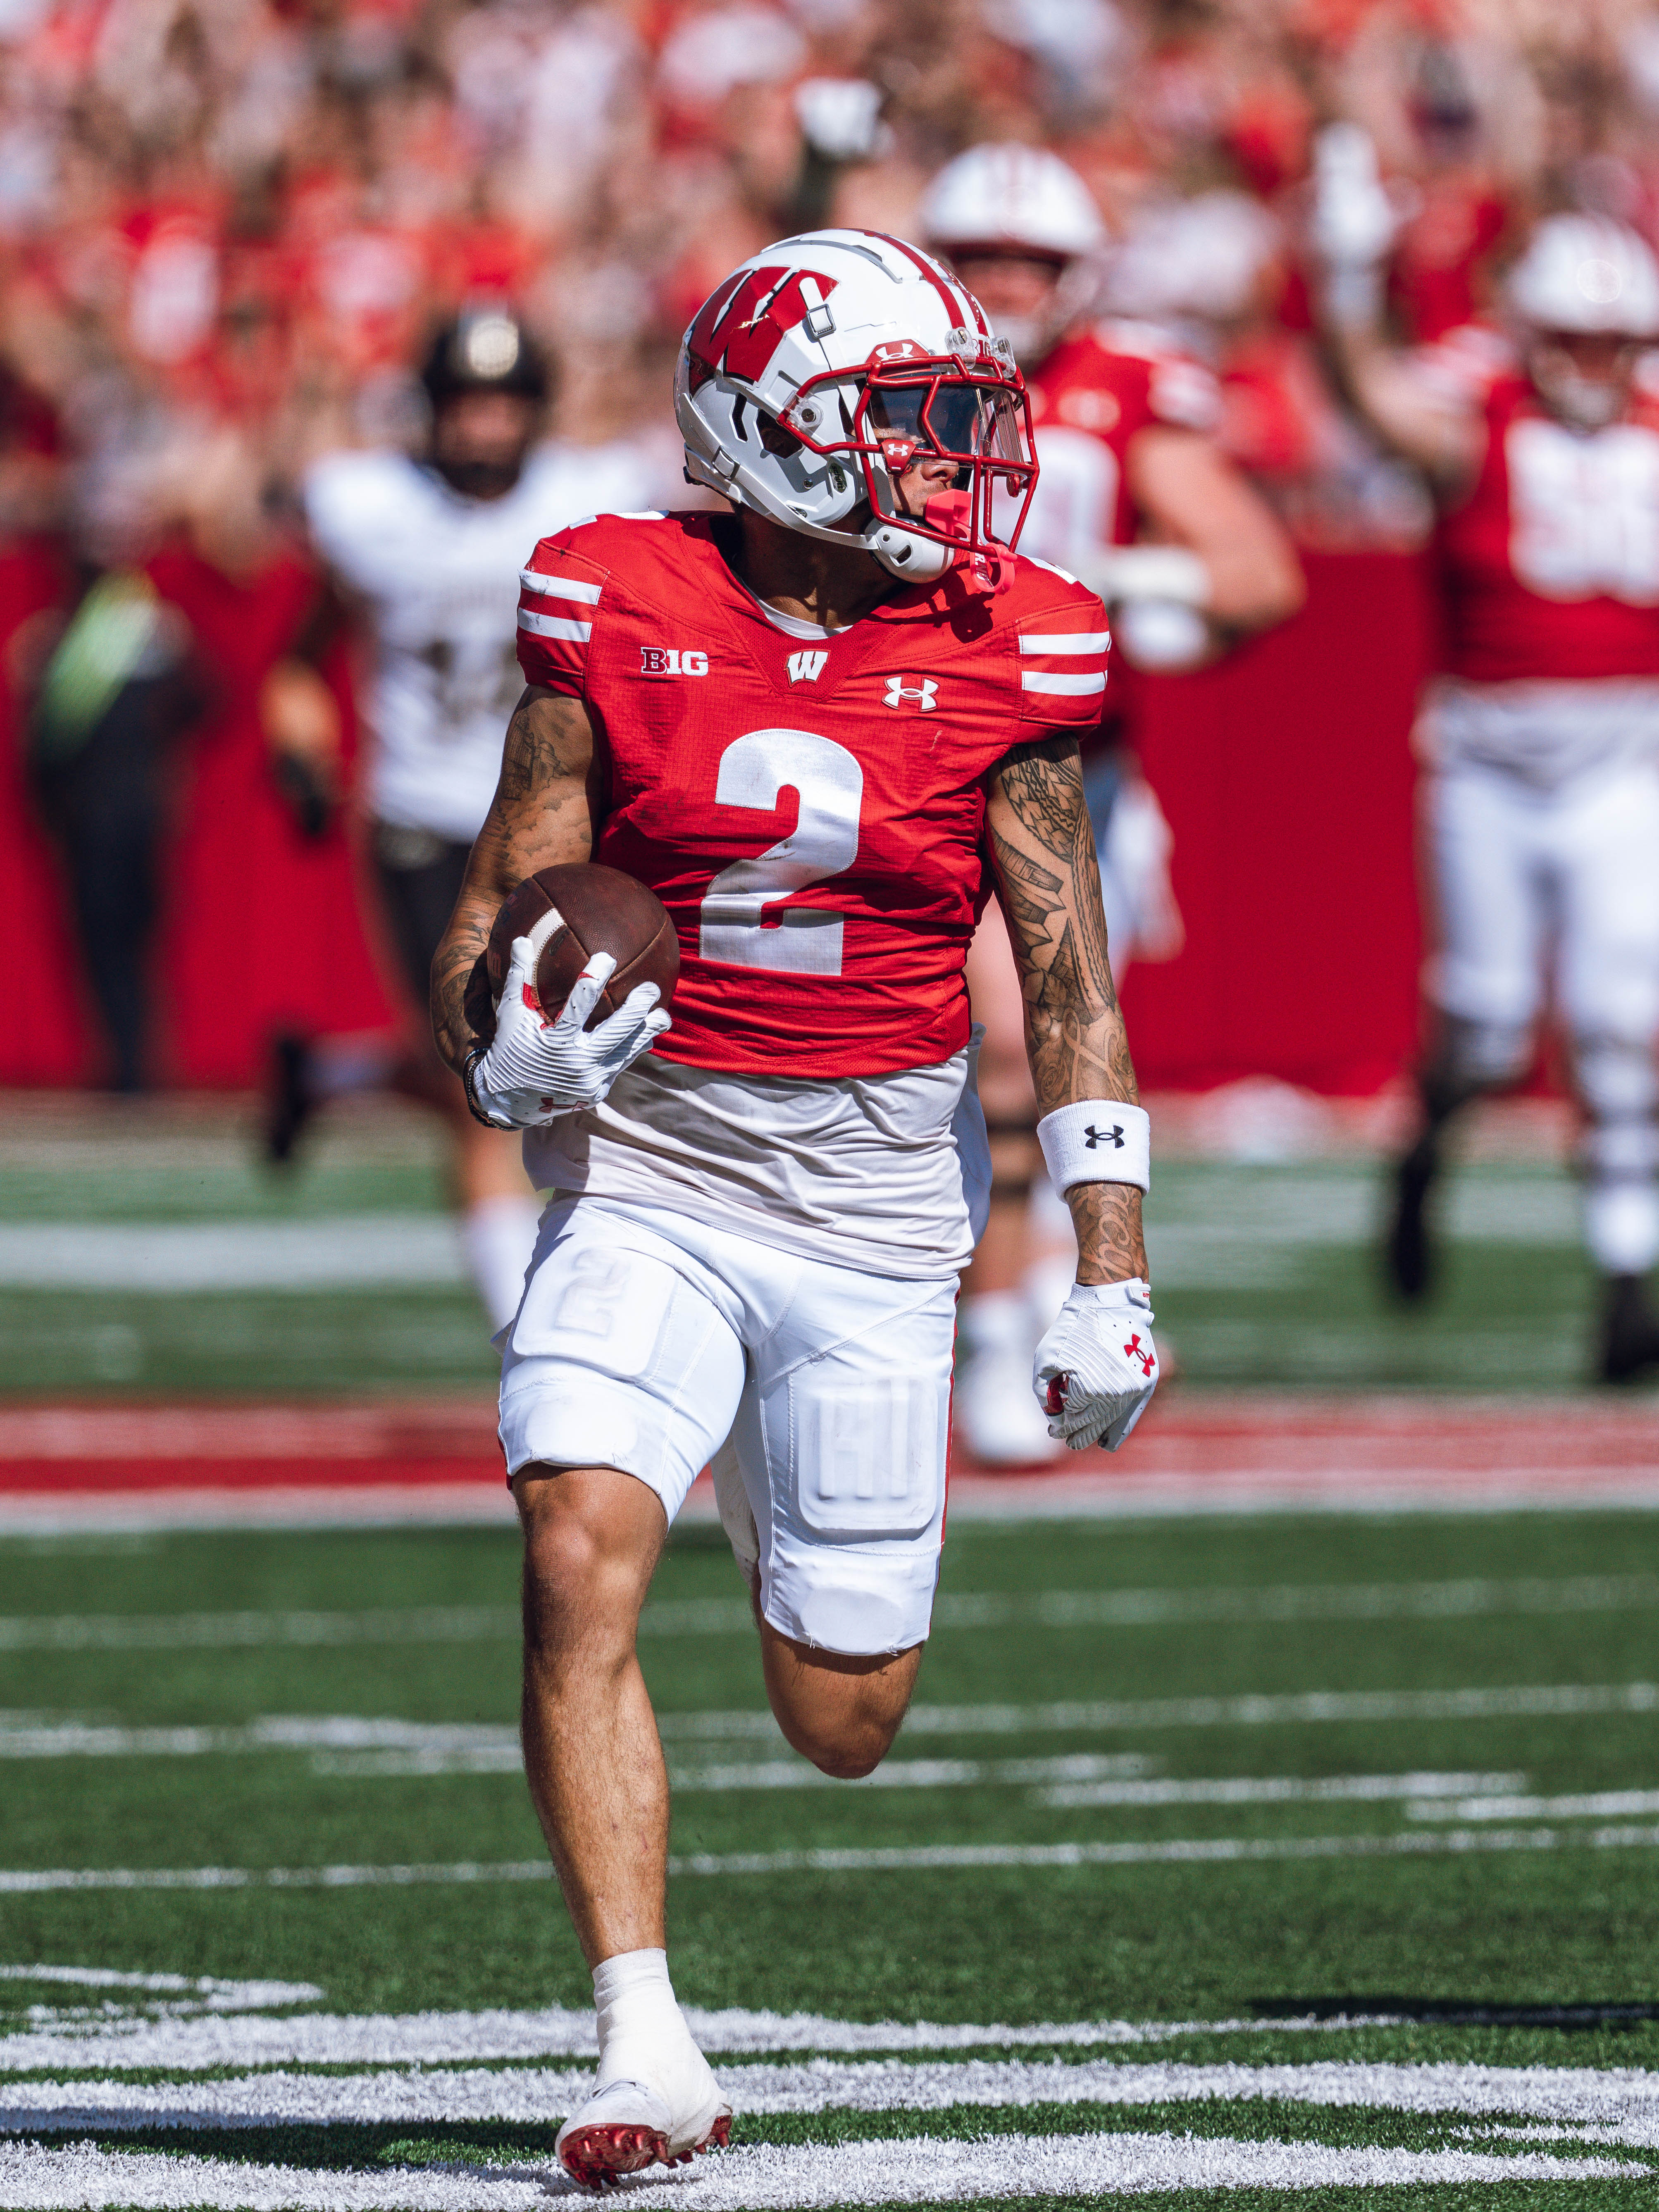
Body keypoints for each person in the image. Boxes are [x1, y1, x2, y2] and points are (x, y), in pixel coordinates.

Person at [429, 228, 1161, 2184]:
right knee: (576, 1540)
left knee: (843, 1720)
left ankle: (764, 1469)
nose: (947, 468)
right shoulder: (615, 599)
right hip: (655, 1162)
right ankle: (641, 2039)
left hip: (867, 1199)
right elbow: (504, 899)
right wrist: (501, 1055)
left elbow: (1066, 966)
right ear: (771, 439)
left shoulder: (1014, 634)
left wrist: (1107, 1257)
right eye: (904, 427)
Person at [921, 144, 1305, 1459]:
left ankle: (1025, 1314)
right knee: (984, 1056)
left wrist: (1126, 584)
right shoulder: (890, 368)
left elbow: (1256, 574)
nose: (1006, 282)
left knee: (1034, 1048)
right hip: (910, 751)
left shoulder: (1122, 385)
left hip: (1072, 773)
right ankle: (998, 1319)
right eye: (979, 257)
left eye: (1029, 260)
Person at [1315, 141, 1659, 1380]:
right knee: (1482, 1019)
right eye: (1568, 339)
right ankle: (1427, 1147)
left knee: (1623, 1019)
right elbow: (1363, 397)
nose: (1591, 367)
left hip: (1627, 758)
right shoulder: (1480, 415)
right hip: (1488, 766)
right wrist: (1345, 275)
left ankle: (1626, 1274)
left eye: (1611, 343)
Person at [265, 305, 658, 1328]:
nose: (484, 429)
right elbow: (300, 658)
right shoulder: (367, 505)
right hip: (426, 819)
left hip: (566, 811)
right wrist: (301, 748)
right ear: (431, 410)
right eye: (466, 405)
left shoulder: (598, 496)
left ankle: (332, 1073)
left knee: (595, 1051)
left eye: (505, 405)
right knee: (477, 1071)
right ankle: (527, 1328)